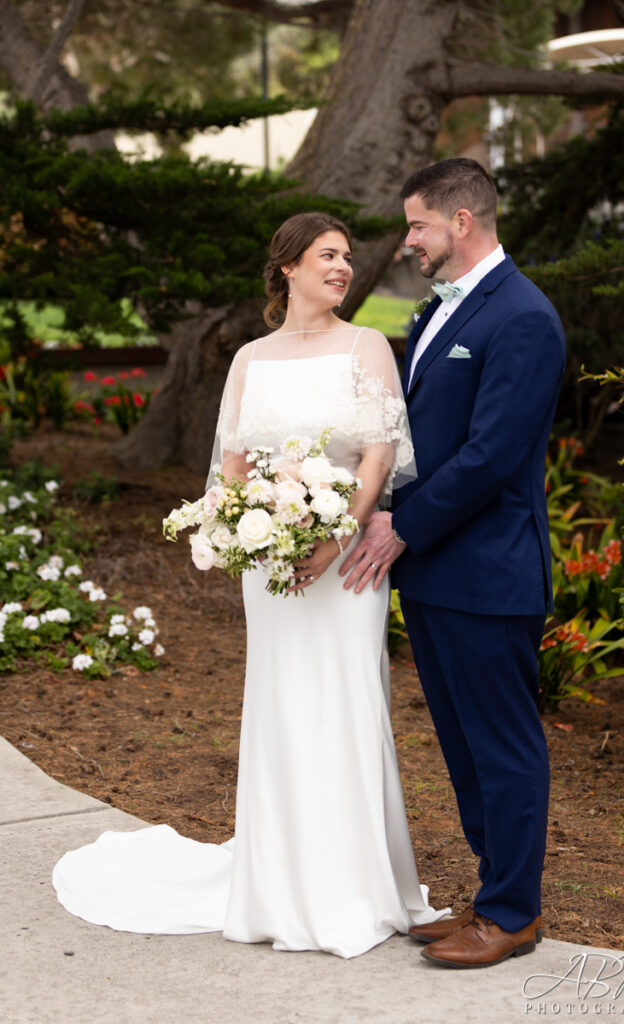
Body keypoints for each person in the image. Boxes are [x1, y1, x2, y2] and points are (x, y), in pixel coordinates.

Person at [52, 211, 447, 958]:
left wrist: (335, 536)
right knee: (282, 704)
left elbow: (376, 454)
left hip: (347, 560)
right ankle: (277, 880)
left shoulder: (366, 345)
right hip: (271, 567)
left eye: (345, 258)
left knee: (348, 699)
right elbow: (230, 470)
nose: (341, 268)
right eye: (326, 256)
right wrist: (240, 529)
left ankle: (357, 886)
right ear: (287, 267)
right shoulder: (250, 360)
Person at [341, 158, 565, 969]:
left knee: (502, 748)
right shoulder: (436, 312)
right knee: (465, 750)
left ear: (460, 222)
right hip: (436, 572)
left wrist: (400, 528)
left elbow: (491, 457)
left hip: (486, 574)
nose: (408, 242)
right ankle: (488, 896)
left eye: (417, 226)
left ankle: (512, 915)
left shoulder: (523, 318)